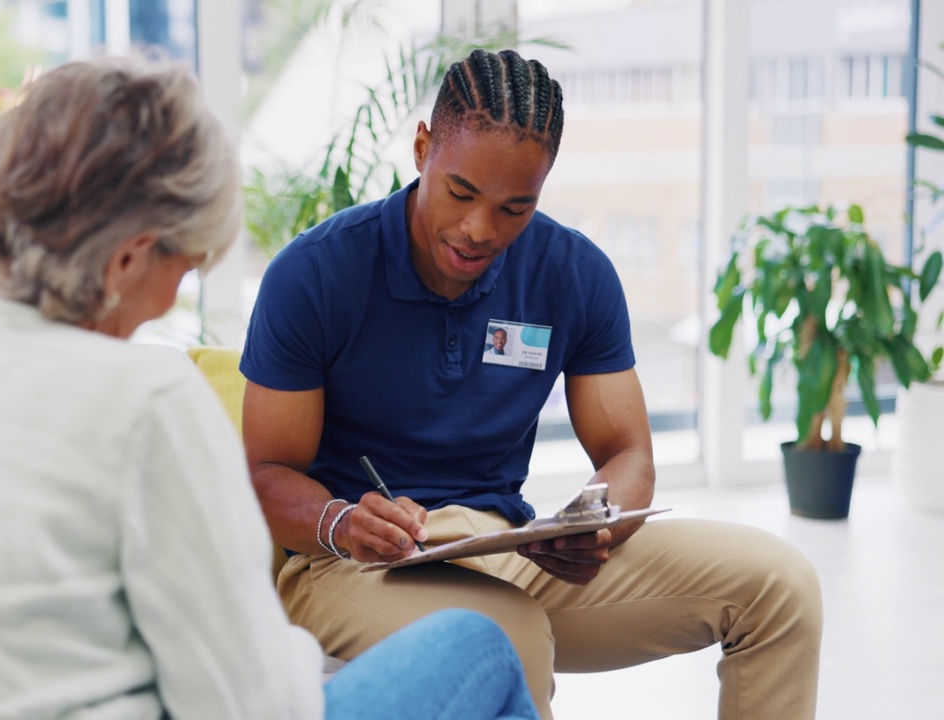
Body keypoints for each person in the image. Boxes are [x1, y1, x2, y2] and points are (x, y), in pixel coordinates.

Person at [0, 57, 538, 720]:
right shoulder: (145, 406)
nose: (171, 298)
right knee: (478, 645)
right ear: (128, 257)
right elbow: (246, 707)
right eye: (184, 266)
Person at [240, 48, 823, 720]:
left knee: (782, 587)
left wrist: (595, 520)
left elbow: (629, 453)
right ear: (423, 148)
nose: (478, 230)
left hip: (506, 543)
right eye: (461, 192)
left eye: (514, 207)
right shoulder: (315, 274)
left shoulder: (573, 273)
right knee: (504, 637)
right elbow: (263, 474)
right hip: (353, 564)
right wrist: (341, 523)